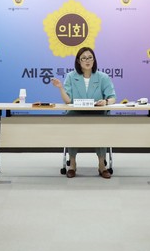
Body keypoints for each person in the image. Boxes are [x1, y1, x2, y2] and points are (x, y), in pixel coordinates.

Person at [50, 47, 116, 178]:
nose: (87, 60)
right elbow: (68, 101)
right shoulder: (71, 76)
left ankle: (102, 165)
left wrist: (106, 102)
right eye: (84, 58)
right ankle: (72, 164)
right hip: (76, 113)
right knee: (71, 124)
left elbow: (112, 97)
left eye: (90, 57)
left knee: (101, 126)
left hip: (97, 114)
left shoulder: (103, 77)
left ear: (94, 60)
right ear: (78, 61)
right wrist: (61, 88)